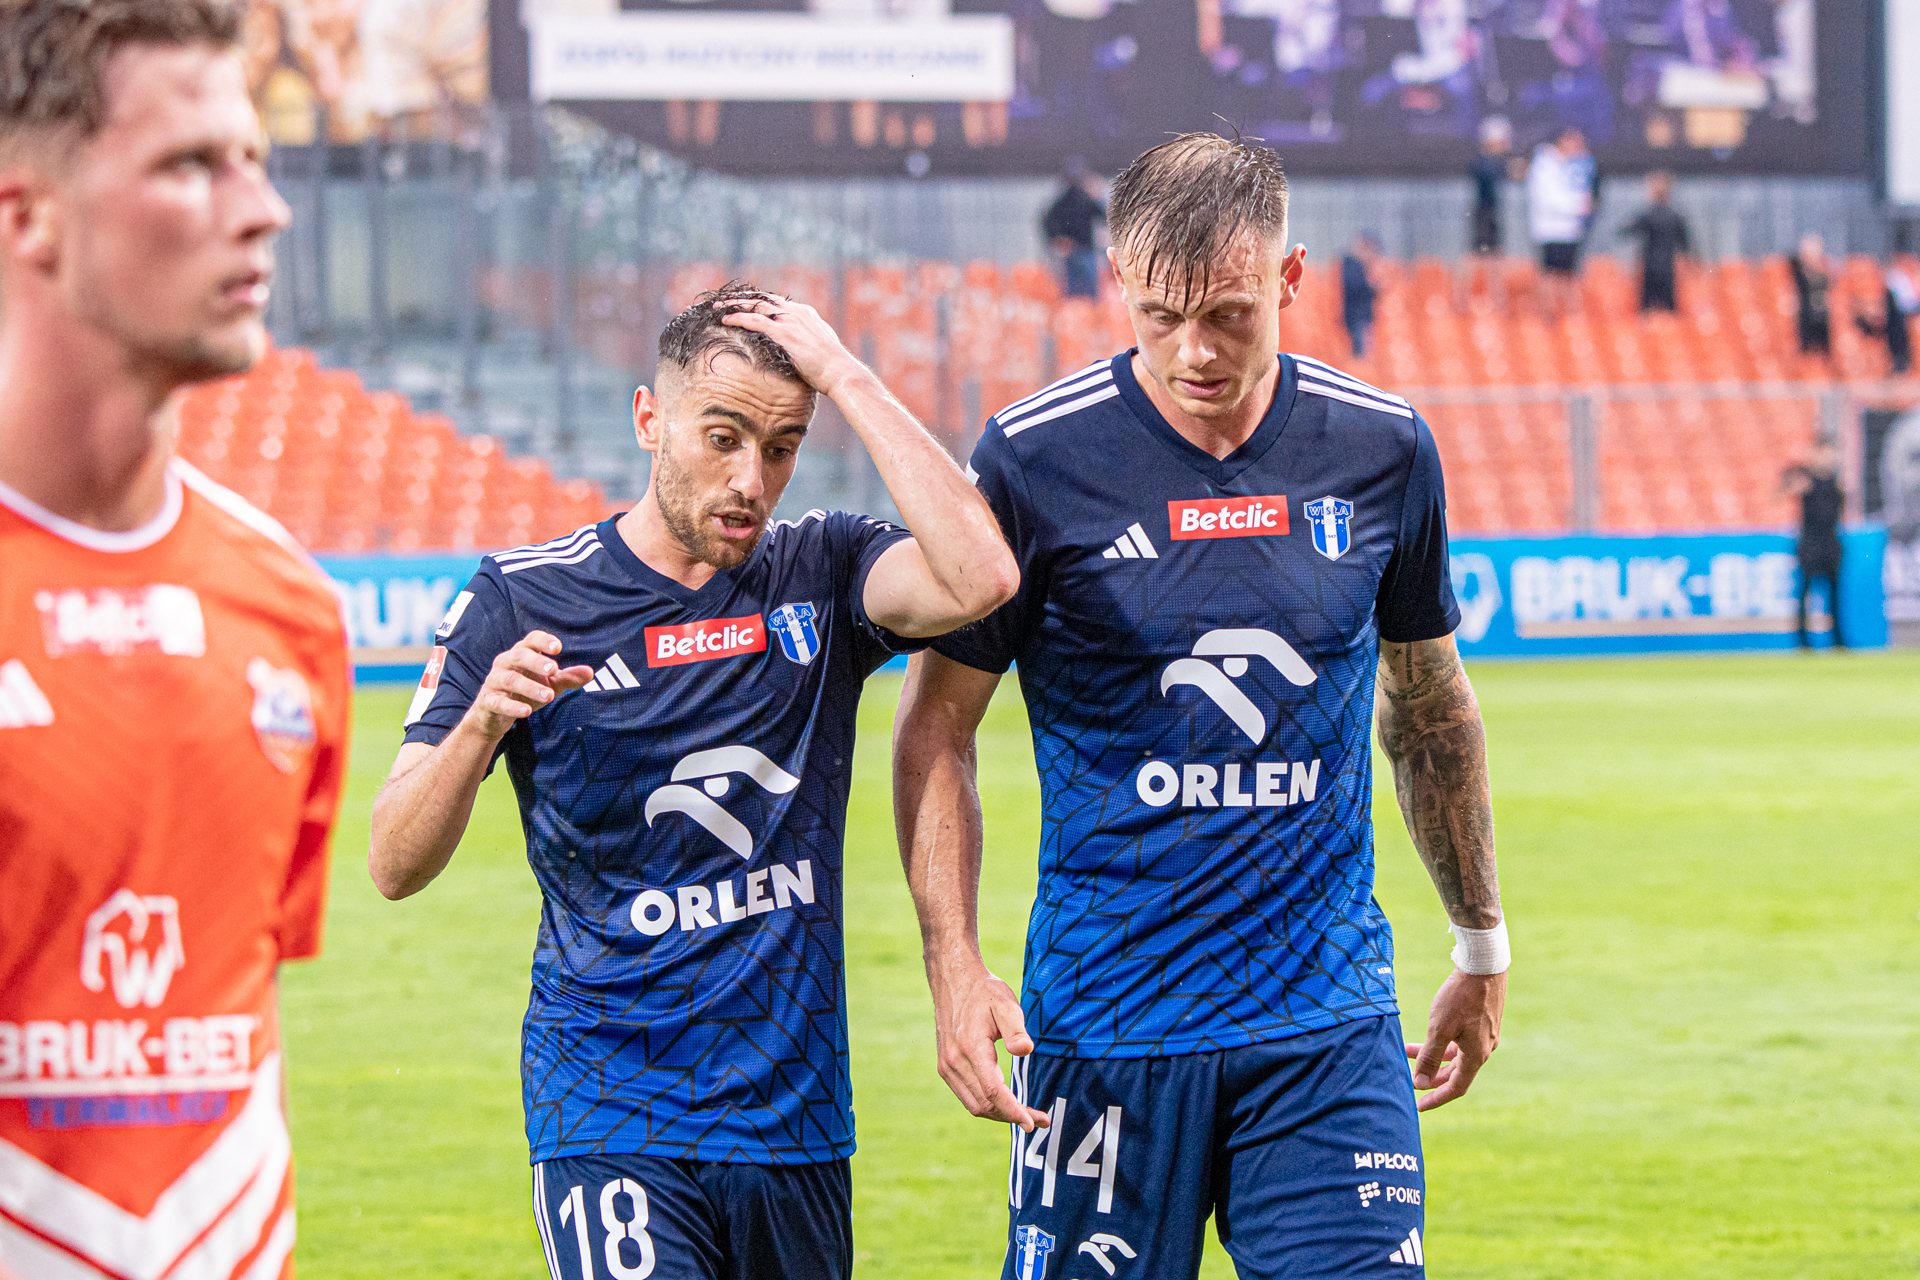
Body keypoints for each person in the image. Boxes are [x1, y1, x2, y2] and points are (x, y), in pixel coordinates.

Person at [894, 133, 1506, 1279]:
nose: (1194, 351)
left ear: (1290, 277)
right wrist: (953, 962)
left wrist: (1481, 938)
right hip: (1103, 1021)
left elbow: (1428, 708)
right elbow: (938, 724)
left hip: (1324, 1022)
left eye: (1228, 313)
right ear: (1118, 283)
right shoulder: (1032, 461)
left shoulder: (1381, 448)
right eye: (1160, 314)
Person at [367, 282, 1017, 1280]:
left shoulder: (821, 569)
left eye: (781, 448)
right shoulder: (523, 596)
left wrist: (847, 376)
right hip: (610, 1107)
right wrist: (481, 724)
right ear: (648, 419)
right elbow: (393, 860)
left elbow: (983, 578)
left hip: (792, 1120)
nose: (751, 479)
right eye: (722, 438)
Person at [0, 0, 349, 1276]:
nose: (264, 209)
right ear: (29, 217)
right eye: (192, 164)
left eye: (254, 158)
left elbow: (235, 1021)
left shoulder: (290, 610)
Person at [1784, 443, 1845, 649]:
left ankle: (1837, 640)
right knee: (1805, 595)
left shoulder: (1837, 484)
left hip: (1831, 545)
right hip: (1810, 546)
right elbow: (1782, 488)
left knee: (1834, 596)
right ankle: (1803, 641)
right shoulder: (1805, 481)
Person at [1528, 126, 1593, 318]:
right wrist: (1578, 206)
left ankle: (1571, 318)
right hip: (1550, 231)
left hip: (1571, 231)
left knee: (1569, 276)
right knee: (1549, 275)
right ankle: (1548, 317)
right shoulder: (1545, 164)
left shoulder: (1578, 165)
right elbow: (1548, 200)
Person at [1619, 171, 1692, 314]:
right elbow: (1685, 247)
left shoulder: (1647, 215)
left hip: (1650, 268)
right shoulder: (1675, 217)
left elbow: (1624, 232)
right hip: (1667, 268)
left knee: (1646, 310)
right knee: (1670, 310)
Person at [1042, 157, 1106, 299]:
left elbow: (1047, 221)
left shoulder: (1063, 200)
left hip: (1076, 251)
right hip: (1081, 250)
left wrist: (1057, 239)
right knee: (1088, 295)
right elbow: (1105, 216)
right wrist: (1098, 197)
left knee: (1075, 294)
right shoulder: (1083, 199)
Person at [1852, 262, 1916, 376]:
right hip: (1895, 319)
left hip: (1899, 319)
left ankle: (1901, 364)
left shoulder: (1898, 279)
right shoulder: (1891, 280)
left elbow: (1908, 303)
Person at [1788, 233, 1832, 359]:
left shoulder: (1825, 271)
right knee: (1806, 353)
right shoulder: (1798, 271)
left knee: (1823, 353)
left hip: (1822, 318)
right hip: (1806, 317)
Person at [1341, 229, 1381, 358]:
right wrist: (1371, 288)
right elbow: (1353, 286)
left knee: (1365, 347)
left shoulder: (1363, 264)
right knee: (1359, 350)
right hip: (1355, 313)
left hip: (1364, 313)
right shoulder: (1351, 263)